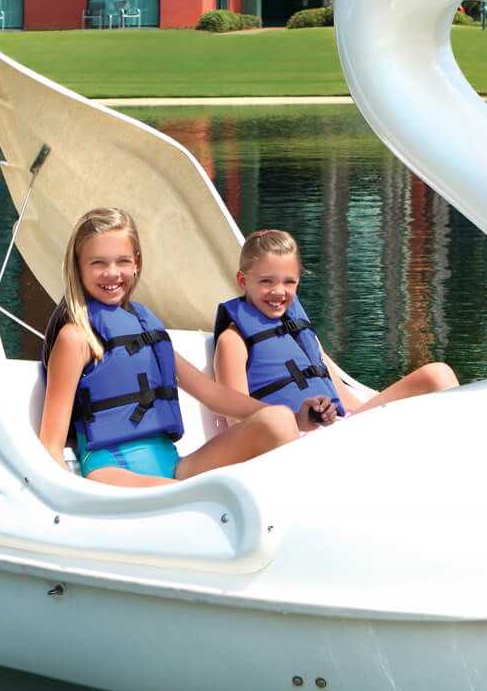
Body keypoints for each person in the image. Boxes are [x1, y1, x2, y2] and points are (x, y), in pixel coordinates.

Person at [38, 207, 301, 487]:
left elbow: (212, 395)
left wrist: (298, 420)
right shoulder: (76, 337)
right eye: (98, 263)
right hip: (113, 471)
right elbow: (50, 444)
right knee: (207, 495)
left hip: (172, 465)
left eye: (122, 261)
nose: (111, 273)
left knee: (278, 420)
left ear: (137, 261)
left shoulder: (144, 326)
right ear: (78, 265)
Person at [213, 229, 458, 429]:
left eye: (289, 281)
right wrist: (300, 421)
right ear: (243, 280)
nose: (279, 291)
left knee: (438, 375)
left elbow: (341, 395)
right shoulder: (232, 341)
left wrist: (351, 416)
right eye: (266, 281)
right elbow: (237, 422)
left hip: (342, 427)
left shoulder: (299, 331)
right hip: (293, 444)